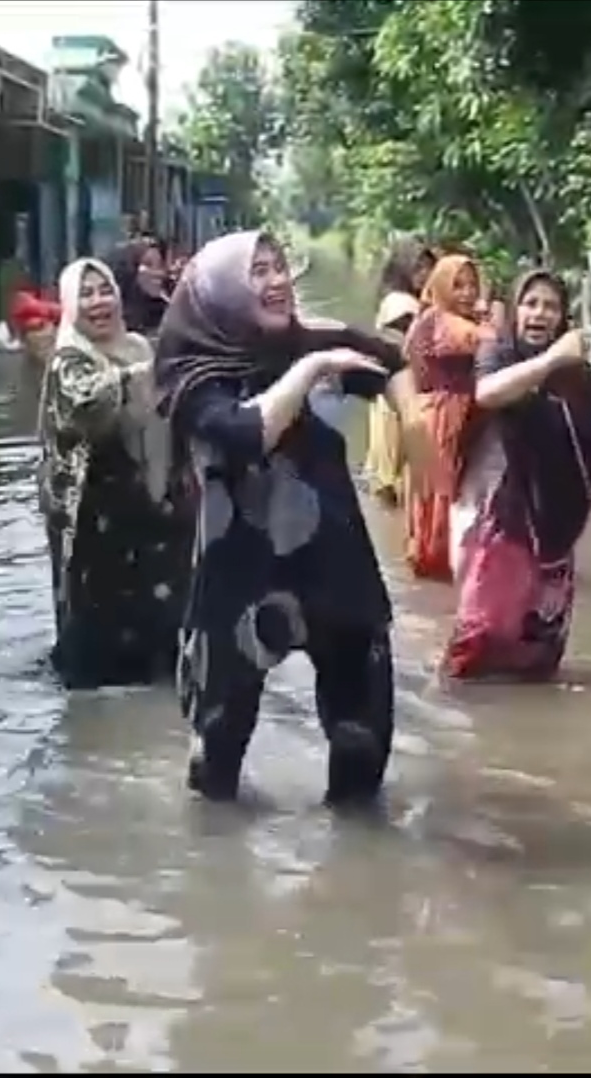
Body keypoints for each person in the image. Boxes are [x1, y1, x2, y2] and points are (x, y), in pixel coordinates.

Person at [154, 230, 418, 806]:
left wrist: (414, 421)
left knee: (362, 747)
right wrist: (312, 368)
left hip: (333, 565)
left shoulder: (304, 340)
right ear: (218, 292)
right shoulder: (191, 374)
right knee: (215, 767)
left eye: (279, 268)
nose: (278, 282)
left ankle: (356, 878)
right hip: (239, 578)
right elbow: (247, 433)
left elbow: (390, 361)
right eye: (259, 272)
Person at [444, 270, 591, 683]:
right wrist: (550, 361)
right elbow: (487, 393)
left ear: (563, 318)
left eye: (551, 306)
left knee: (537, 661)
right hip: (507, 521)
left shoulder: (576, 378)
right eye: (531, 303)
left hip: (557, 533)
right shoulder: (501, 353)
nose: (540, 313)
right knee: (479, 644)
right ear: (515, 310)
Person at [38, 257, 186, 688]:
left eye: (105, 291)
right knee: (100, 636)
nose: (98, 301)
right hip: (93, 519)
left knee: (162, 621)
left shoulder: (140, 346)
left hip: (150, 509)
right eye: (85, 293)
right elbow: (86, 405)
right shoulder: (69, 359)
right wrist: (139, 376)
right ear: (69, 304)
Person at [403, 254, 495, 580]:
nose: (467, 293)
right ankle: (441, 561)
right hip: (445, 415)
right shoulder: (444, 321)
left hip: (441, 410)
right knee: (444, 489)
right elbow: (486, 341)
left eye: (472, 285)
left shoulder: (427, 319)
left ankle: (433, 557)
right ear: (441, 287)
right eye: (458, 286)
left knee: (440, 489)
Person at [364, 238, 433, 506]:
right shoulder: (401, 305)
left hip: (396, 396)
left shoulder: (401, 300)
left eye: (428, 268)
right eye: (417, 268)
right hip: (401, 397)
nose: (424, 275)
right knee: (404, 474)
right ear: (402, 270)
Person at [102, 239, 170, 336]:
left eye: (161, 265)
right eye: (148, 264)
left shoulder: (168, 313)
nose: (160, 273)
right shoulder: (109, 323)